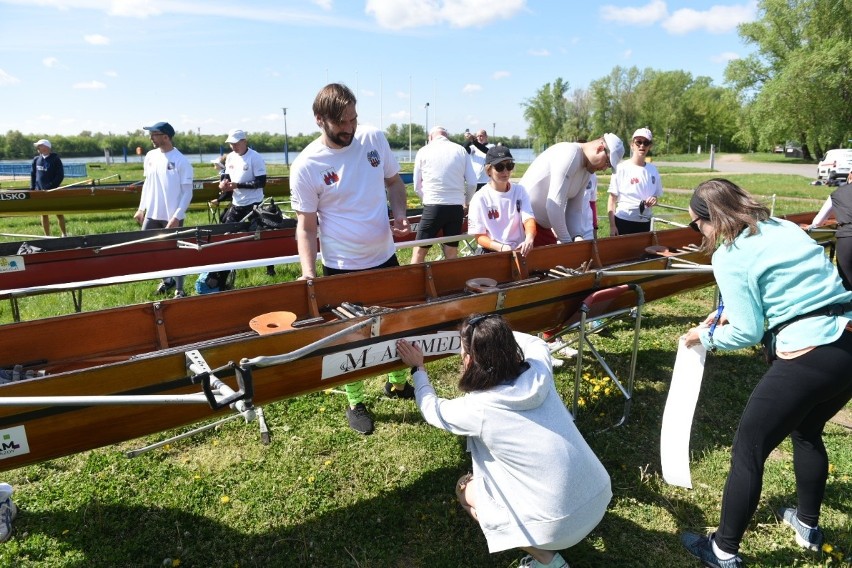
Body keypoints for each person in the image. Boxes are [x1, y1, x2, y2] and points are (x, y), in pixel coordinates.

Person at [681, 179, 852, 568]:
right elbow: (782, 290)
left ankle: (722, 550)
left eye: (697, 225)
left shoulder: (730, 255)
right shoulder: (786, 226)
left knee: (748, 450)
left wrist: (705, 335)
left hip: (808, 353)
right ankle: (807, 526)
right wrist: (723, 316)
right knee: (807, 431)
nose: (699, 234)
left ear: (713, 218)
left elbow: (747, 331)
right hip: (847, 344)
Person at [396, 314, 612, 568]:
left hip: (556, 530)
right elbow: (537, 343)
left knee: (465, 490)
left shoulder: (479, 408)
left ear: (470, 360)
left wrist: (418, 368)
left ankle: (548, 560)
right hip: (599, 497)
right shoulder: (539, 370)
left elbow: (432, 410)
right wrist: (490, 335)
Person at [289, 83, 412, 435]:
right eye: (342, 122)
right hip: (342, 265)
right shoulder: (306, 165)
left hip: (385, 256)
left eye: (354, 119)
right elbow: (306, 226)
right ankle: (356, 400)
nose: (351, 128)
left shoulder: (374, 139)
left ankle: (397, 382)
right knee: (350, 337)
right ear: (320, 120)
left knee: (396, 323)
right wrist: (308, 273)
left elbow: (394, 182)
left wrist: (400, 213)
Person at [519, 135, 624, 246]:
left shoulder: (587, 170)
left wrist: (577, 236)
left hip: (543, 228)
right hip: (522, 224)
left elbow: (574, 210)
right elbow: (553, 206)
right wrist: (567, 242)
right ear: (600, 148)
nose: (604, 168)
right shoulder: (570, 153)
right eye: (607, 162)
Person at [134, 121, 194, 298]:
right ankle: (167, 280)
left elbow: (187, 193)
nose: (151, 138)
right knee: (148, 248)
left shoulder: (181, 161)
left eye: (154, 134)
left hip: (171, 216)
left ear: (166, 137)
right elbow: (147, 184)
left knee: (176, 252)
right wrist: (141, 208)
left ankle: (180, 290)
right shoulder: (150, 156)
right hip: (152, 214)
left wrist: (177, 216)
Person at [209, 129, 274, 276]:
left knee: (260, 237)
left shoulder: (255, 157)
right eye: (231, 144)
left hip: (254, 204)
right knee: (225, 235)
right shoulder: (230, 157)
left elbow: (261, 182)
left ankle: (270, 269)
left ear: (244, 141)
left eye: (236, 143)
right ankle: (225, 270)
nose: (233, 146)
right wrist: (222, 185)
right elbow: (225, 176)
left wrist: (238, 185)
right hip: (237, 204)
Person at [410, 126, 477, 263]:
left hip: (433, 206)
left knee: (419, 251)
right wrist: (466, 201)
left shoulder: (423, 151)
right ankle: (452, 282)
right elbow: (472, 183)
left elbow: (417, 186)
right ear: (447, 136)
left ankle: (412, 283)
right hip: (456, 208)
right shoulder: (461, 150)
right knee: (451, 252)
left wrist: (427, 199)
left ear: (430, 137)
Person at [467, 146, 536, 256]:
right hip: (490, 251)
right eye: (499, 167)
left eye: (509, 166)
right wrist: (501, 247)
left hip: (518, 249)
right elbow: (479, 236)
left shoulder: (520, 191)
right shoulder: (479, 197)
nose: (505, 171)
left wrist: (529, 238)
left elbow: (528, 219)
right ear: (489, 170)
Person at [606, 128, 662, 236]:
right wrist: (612, 226)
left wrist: (654, 200)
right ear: (632, 145)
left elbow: (655, 197)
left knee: (642, 252)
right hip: (623, 221)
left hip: (645, 222)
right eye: (638, 142)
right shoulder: (621, 168)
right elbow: (612, 199)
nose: (642, 146)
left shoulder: (653, 170)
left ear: (649, 146)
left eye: (646, 143)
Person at [808, 171, 852, 290]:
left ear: (850, 176)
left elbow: (818, 222)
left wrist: (810, 227)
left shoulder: (837, 193)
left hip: (847, 239)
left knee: (848, 282)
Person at [30, 139, 67, 237]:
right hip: (40, 192)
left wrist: (51, 187)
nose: (38, 148)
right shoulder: (36, 160)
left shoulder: (55, 159)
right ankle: (47, 237)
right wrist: (33, 188)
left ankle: (64, 234)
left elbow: (60, 176)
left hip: (53, 191)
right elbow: (33, 175)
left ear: (46, 147)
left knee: (59, 213)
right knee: (43, 214)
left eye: (40, 146)